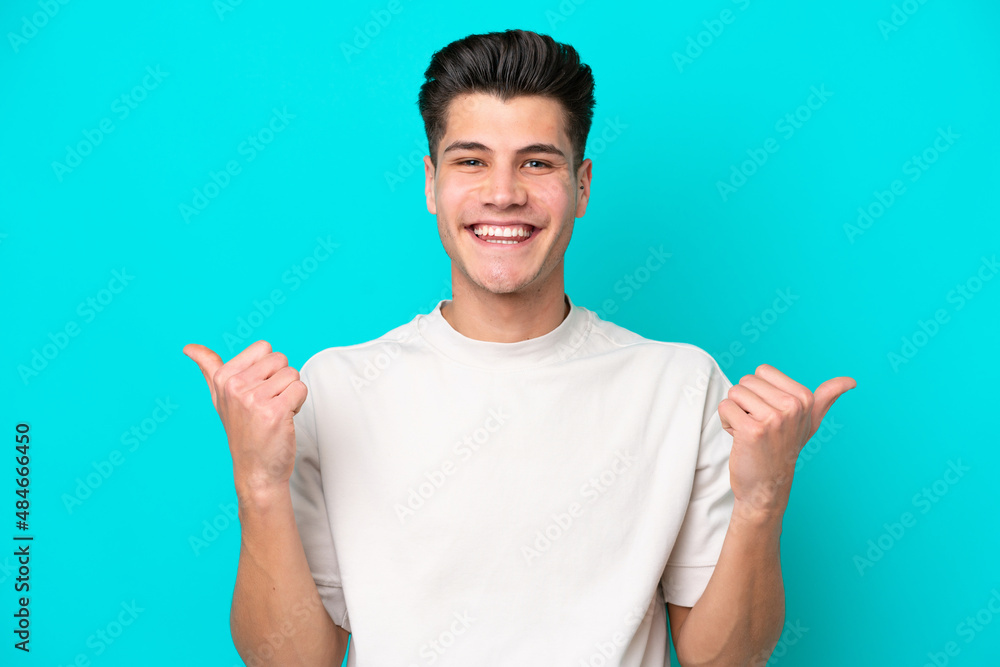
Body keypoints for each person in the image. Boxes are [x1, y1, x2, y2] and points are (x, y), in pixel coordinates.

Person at [183, 29, 856, 667]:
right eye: (471, 161)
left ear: (582, 186)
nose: (503, 194)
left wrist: (763, 498)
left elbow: (726, 658)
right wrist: (258, 484)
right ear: (431, 183)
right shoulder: (335, 387)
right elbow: (291, 659)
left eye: (536, 162)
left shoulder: (681, 384)